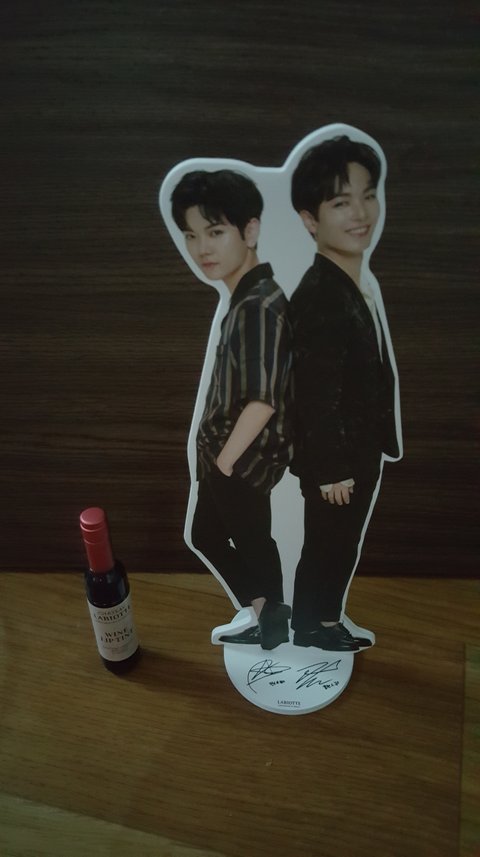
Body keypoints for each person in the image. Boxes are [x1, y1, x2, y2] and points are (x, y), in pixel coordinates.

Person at [171, 170, 293, 650]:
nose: (202, 248)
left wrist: (225, 461)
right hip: (224, 455)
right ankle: (267, 616)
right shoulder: (244, 299)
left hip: (239, 457)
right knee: (209, 535)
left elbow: (263, 399)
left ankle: (273, 625)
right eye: (191, 235)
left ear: (250, 230)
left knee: (252, 540)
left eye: (215, 231)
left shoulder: (259, 305)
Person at [289, 135, 400, 652]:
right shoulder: (320, 295)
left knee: (339, 544)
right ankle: (315, 627)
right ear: (310, 219)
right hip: (336, 463)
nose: (361, 213)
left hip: (357, 450)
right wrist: (332, 470)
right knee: (329, 545)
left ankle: (322, 620)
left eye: (368, 195)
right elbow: (315, 394)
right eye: (340, 202)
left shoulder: (352, 283)